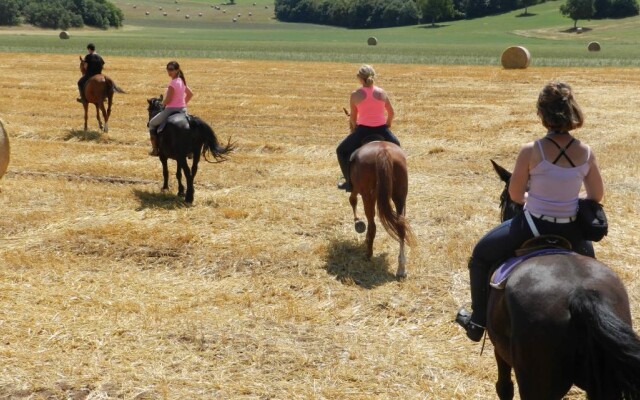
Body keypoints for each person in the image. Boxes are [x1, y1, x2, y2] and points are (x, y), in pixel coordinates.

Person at [455, 81, 604, 342]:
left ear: (542, 114)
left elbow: (514, 195)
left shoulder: (531, 150)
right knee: (594, 271)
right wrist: (570, 196)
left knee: (479, 256)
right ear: (572, 112)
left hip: (533, 224)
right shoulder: (586, 152)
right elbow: (596, 196)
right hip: (571, 229)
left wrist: (535, 197)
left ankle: (477, 322)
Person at [336, 65, 400, 192]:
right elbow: (391, 113)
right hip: (382, 129)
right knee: (398, 148)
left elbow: (353, 118)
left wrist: (354, 129)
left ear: (360, 78)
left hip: (363, 131)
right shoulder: (382, 93)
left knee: (341, 151)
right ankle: (397, 180)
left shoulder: (355, 95)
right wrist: (388, 124)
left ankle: (349, 183)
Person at [147, 61, 193, 156]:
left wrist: (163, 104)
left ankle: (155, 149)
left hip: (171, 109)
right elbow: (190, 94)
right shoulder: (182, 81)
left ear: (177, 70)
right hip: (183, 110)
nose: (169, 71)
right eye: (168, 69)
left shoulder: (173, 83)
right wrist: (183, 103)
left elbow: (168, 99)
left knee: (152, 123)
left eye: (171, 69)